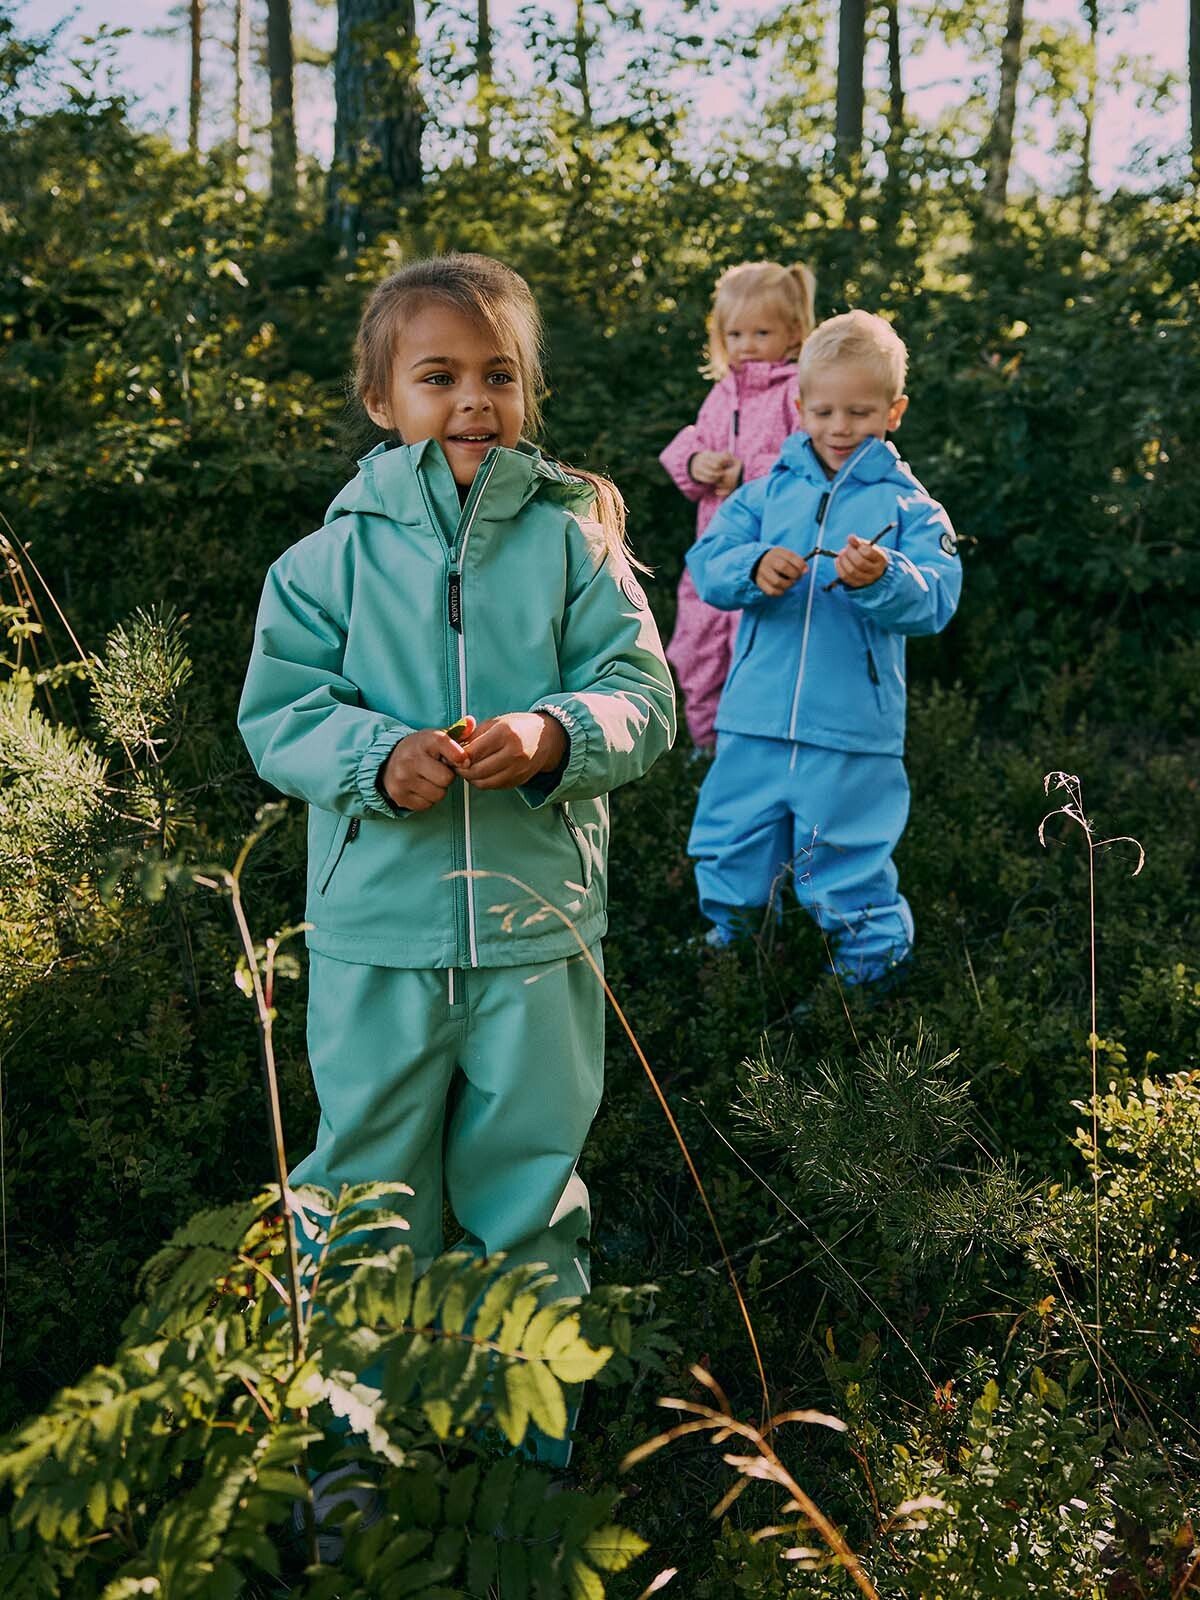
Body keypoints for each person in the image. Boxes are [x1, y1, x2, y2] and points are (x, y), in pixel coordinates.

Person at [238, 253, 676, 1480]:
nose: (472, 400)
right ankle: (347, 1462)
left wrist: (555, 734)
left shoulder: (575, 543)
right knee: (364, 1192)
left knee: (525, 1193)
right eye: (439, 376)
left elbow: (644, 696)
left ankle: (519, 1463)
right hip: (378, 932)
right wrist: (377, 755)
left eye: (499, 375)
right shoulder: (322, 564)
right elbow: (278, 715)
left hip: (539, 933)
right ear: (383, 400)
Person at [685, 309, 962, 984]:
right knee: (730, 842)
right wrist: (753, 568)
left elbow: (935, 599)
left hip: (850, 729)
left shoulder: (911, 509)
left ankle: (870, 973)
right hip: (753, 716)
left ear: (893, 412)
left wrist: (885, 576)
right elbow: (707, 560)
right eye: (827, 411)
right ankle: (735, 952)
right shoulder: (762, 493)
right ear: (800, 406)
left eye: (861, 413)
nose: (841, 428)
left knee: (844, 857)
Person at [659, 260, 816, 750]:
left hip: (772, 553)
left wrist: (748, 472)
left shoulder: (798, 392)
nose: (747, 345)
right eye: (736, 333)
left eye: (761, 332)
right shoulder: (720, 394)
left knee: (760, 653)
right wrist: (698, 461)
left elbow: (809, 465)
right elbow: (687, 447)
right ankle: (706, 746)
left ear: (793, 333)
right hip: (715, 552)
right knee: (699, 648)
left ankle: (756, 748)